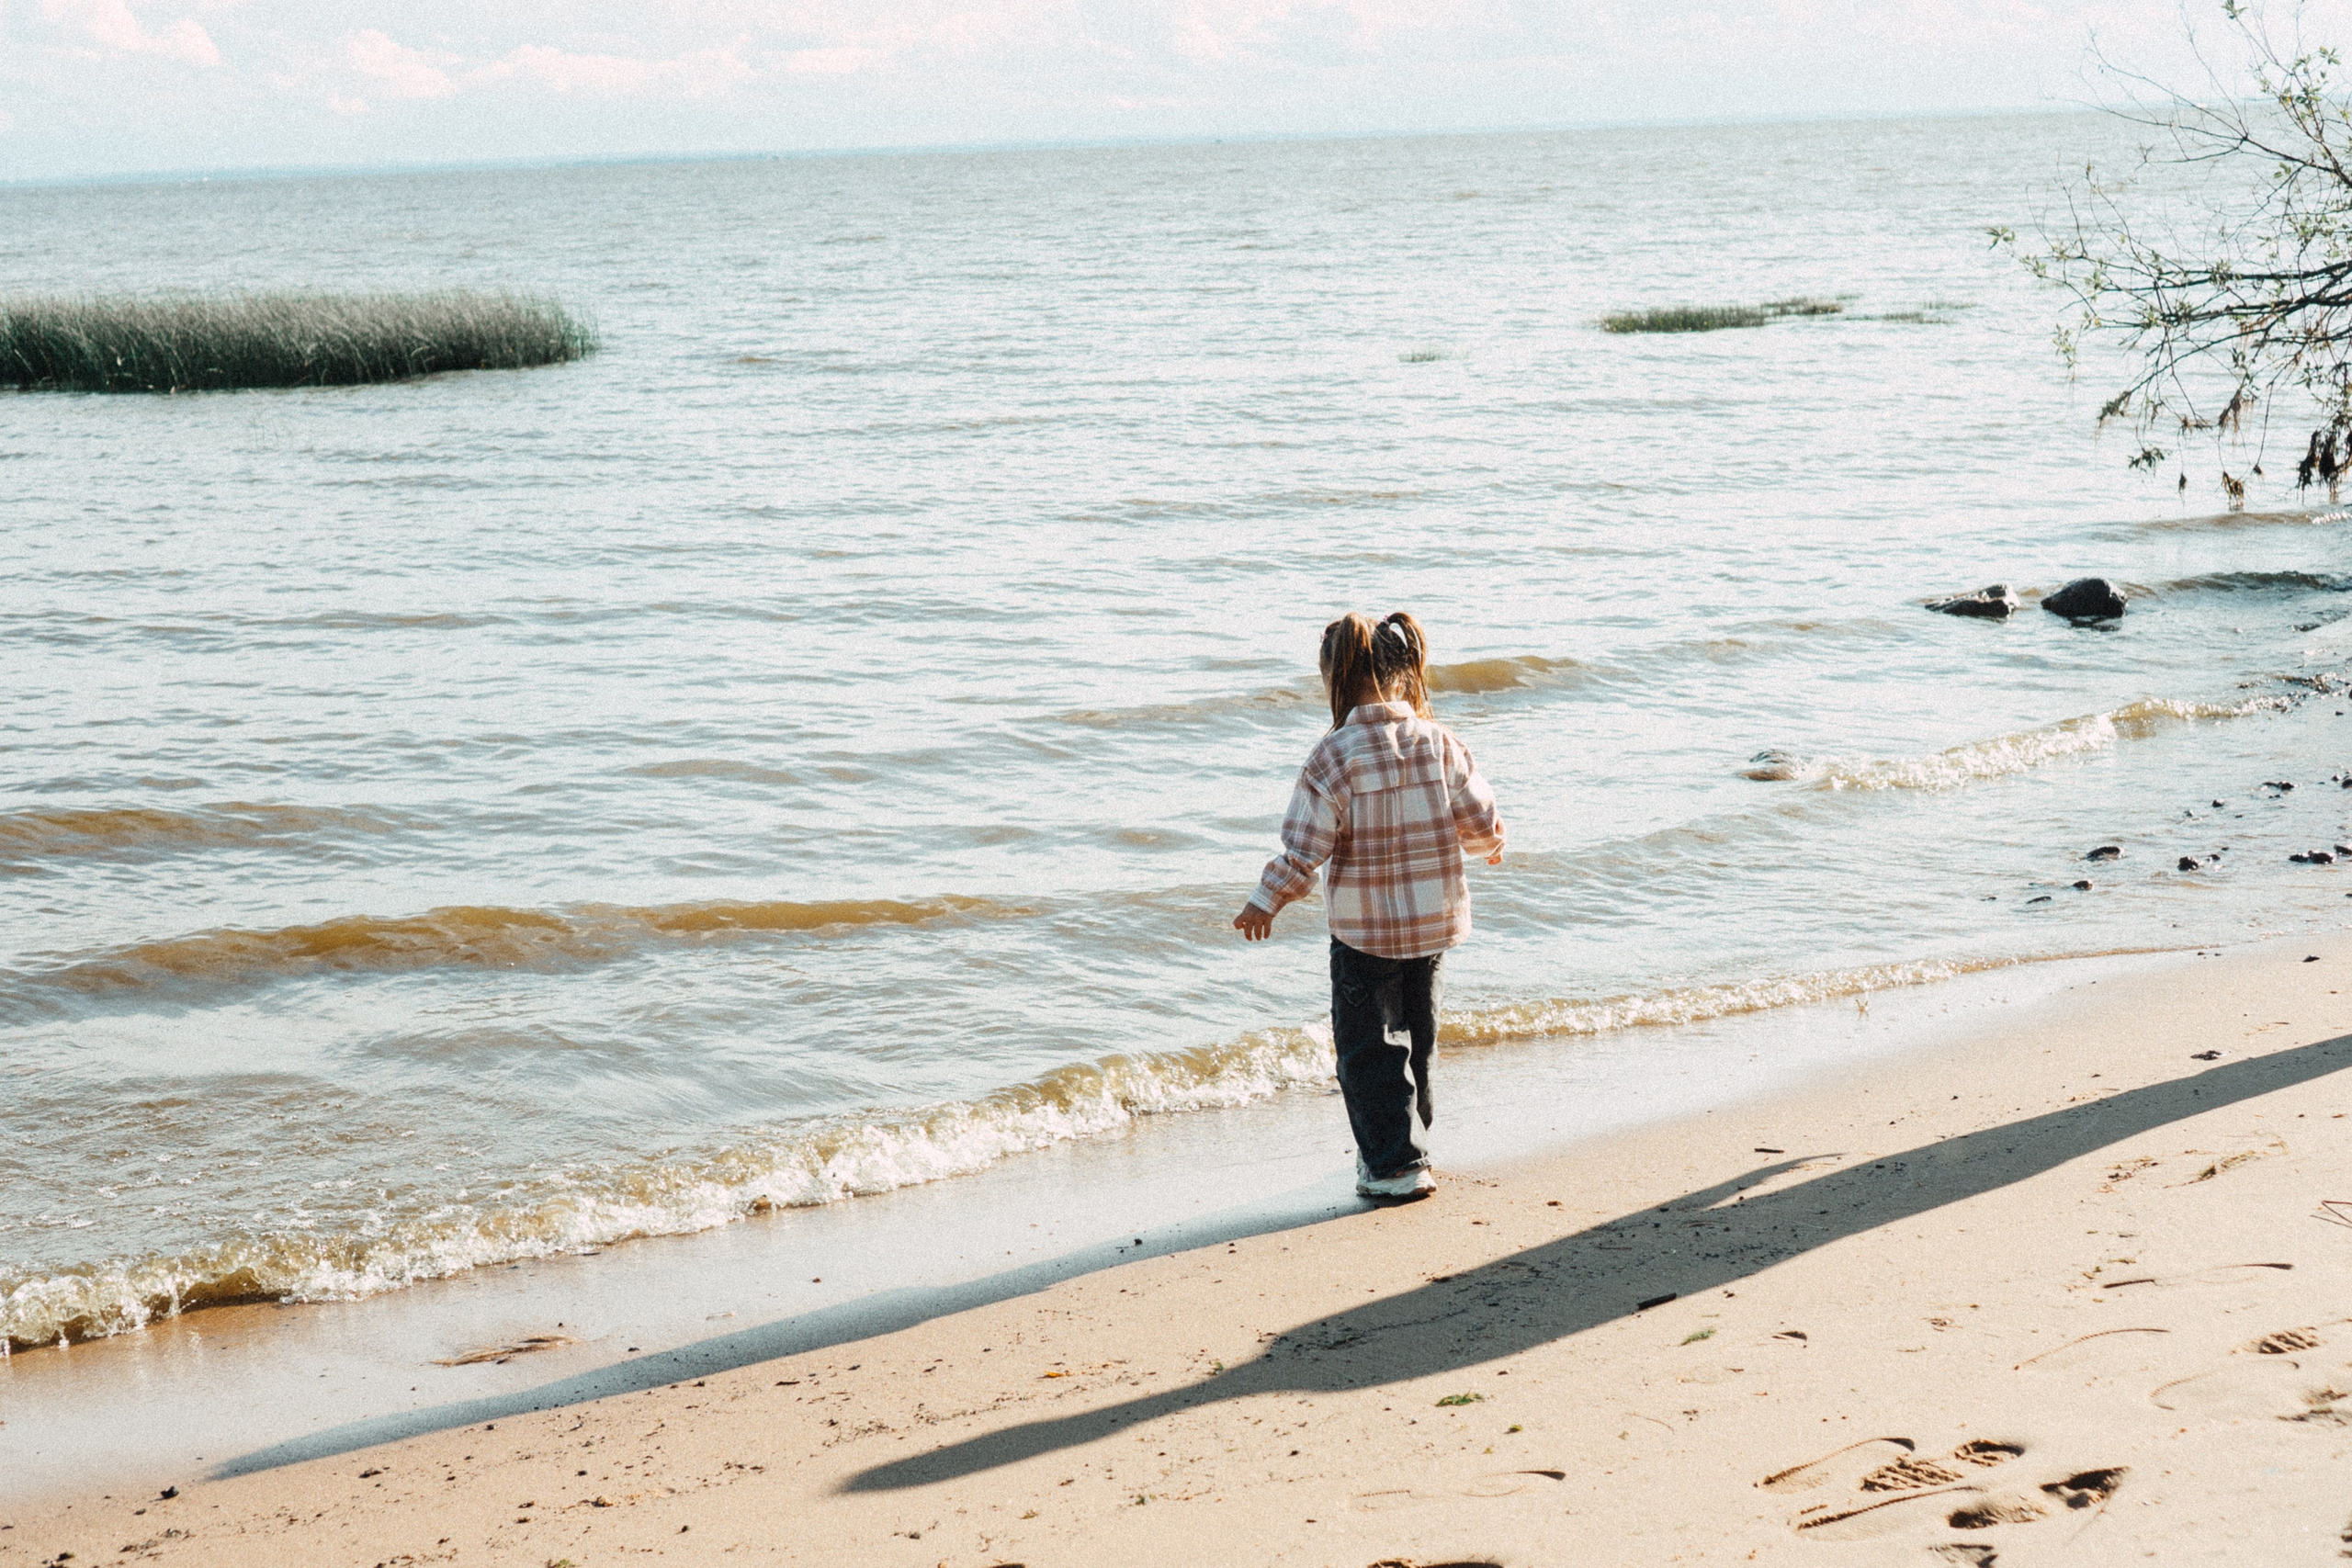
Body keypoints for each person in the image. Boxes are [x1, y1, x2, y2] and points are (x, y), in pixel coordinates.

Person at [1233, 611, 1505, 1200]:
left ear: (1335, 678)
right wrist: (1490, 846)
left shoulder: (1333, 756)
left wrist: (1266, 901)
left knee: (1367, 1051)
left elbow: (1305, 848)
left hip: (1363, 935)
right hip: (1433, 926)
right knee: (1418, 1040)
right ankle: (1409, 1151)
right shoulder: (1439, 742)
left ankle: (1392, 1165)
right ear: (1406, 673)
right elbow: (1480, 819)